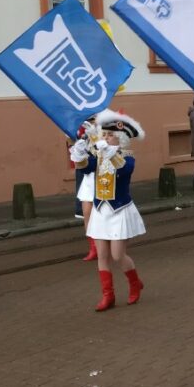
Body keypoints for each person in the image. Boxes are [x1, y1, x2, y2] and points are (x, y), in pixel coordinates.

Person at [69, 109, 147, 312]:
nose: (105, 137)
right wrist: (79, 152)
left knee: (118, 255)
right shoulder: (100, 155)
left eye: (110, 134)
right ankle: (108, 295)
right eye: (104, 134)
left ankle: (135, 283)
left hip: (119, 210)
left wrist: (103, 148)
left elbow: (121, 168)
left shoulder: (128, 158)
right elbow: (85, 167)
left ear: (120, 138)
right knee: (102, 255)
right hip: (100, 210)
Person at [74, 116, 100, 261]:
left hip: (102, 176)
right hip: (88, 178)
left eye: (93, 117)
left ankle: (105, 245)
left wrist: (96, 138)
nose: (90, 120)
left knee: (102, 213)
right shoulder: (81, 130)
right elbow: (79, 162)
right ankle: (93, 248)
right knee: (87, 213)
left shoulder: (106, 129)